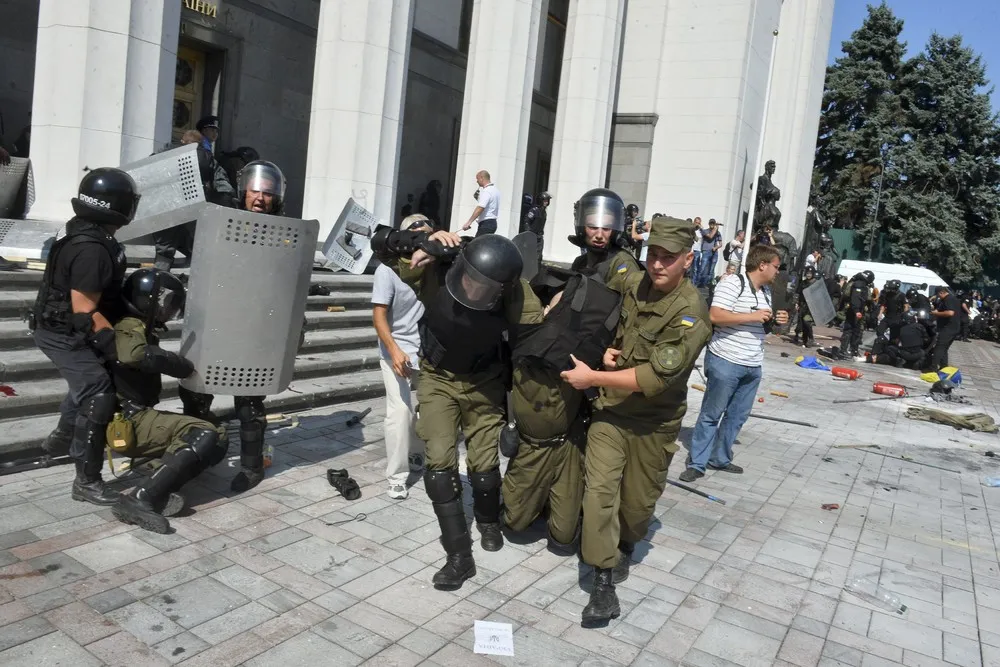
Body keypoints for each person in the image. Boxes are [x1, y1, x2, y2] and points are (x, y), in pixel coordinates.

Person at [371, 226, 542, 590]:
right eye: (471, 281)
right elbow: (380, 244)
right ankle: (459, 557)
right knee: (439, 464)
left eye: (487, 289)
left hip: (484, 382)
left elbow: (534, 340)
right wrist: (424, 240)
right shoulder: (439, 268)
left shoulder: (515, 294)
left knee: (483, 463)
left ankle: (487, 520)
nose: (474, 291)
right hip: (438, 377)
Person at [560, 217, 712, 628]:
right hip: (612, 412)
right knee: (600, 494)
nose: (659, 265)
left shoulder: (691, 313)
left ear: (688, 260)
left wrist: (592, 377)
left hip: (654, 421)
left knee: (637, 506)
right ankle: (603, 584)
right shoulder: (635, 283)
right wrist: (608, 349)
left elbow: (653, 378)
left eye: (669, 258)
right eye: (654, 256)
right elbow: (613, 316)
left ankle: (626, 541)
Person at [31, 168, 140, 505]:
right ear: (120, 207)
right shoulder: (92, 248)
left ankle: (60, 442)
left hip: (62, 326)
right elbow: (83, 309)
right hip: (62, 331)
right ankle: (87, 482)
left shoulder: (89, 235)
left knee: (87, 385)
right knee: (97, 391)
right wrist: (115, 346)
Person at [177, 160, 288, 492]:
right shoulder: (222, 222)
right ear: (244, 191)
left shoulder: (285, 234)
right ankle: (200, 451)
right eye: (255, 191)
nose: (259, 198)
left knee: (250, 401)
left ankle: (252, 466)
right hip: (218, 320)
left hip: (254, 326)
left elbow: (284, 281)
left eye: (267, 194)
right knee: (195, 391)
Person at [108, 269, 229, 533]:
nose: (169, 311)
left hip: (134, 415)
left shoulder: (139, 326)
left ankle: (160, 483)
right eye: (167, 304)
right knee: (203, 433)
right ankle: (139, 498)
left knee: (218, 435)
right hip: (127, 420)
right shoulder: (129, 324)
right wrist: (180, 365)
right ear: (150, 300)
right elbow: (134, 355)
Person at [681, 244, 789, 483]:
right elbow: (715, 315)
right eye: (776, 267)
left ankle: (720, 458)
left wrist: (779, 322)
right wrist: (752, 315)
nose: (777, 272)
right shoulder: (732, 283)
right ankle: (697, 463)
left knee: (737, 415)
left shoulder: (766, 293)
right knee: (712, 413)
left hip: (753, 362)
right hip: (726, 359)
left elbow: (763, 326)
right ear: (762, 265)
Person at [372, 214, 431, 499]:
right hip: (397, 350)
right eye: (417, 230)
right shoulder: (389, 270)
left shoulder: (434, 267)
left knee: (425, 410)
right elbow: (379, 315)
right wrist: (394, 350)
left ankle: (417, 454)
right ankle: (397, 474)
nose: (423, 233)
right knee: (401, 411)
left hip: (427, 351)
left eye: (428, 228)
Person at [568, 188, 641, 290]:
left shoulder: (622, 264)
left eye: (606, 228)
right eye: (593, 227)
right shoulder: (580, 262)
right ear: (582, 228)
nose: (599, 235)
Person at [837, 271, 873, 359]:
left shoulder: (856, 284)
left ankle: (850, 350)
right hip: (856, 312)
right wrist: (857, 311)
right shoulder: (859, 285)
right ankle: (846, 350)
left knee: (853, 330)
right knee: (851, 331)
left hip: (854, 310)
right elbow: (856, 299)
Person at [929, 286, 961, 370]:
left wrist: (936, 313)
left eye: (938, 295)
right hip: (954, 327)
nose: (938, 297)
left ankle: (933, 368)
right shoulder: (953, 299)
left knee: (939, 348)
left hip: (948, 327)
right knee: (944, 348)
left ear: (941, 293)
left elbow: (950, 313)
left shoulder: (948, 299)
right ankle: (944, 368)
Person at [461, 170, 500, 237]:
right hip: (492, 223)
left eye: (477, 179)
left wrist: (469, 222)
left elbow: (480, 208)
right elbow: (490, 205)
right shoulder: (495, 190)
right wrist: (478, 199)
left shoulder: (487, 191)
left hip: (486, 224)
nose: (477, 181)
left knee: (477, 245)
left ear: (482, 178)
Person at [874, 279, 906, 355]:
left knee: (894, 336)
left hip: (897, 317)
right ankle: (881, 344)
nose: (891, 290)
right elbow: (884, 305)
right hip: (888, 316)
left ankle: (890, 350)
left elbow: (906, 306)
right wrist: (880, 313)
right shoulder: (887, 294)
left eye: (892, 289)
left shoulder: (901, 295)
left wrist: (904, 315)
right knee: (879, 330)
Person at [520, 191, 550, 264]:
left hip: (539, 236)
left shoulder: (544, 212)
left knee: (539, 256)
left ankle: (537, 271)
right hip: (532, 235)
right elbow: (527, 220)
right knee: (530, 254)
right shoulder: (534, 210)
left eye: (547, 201)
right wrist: (529, 232)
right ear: (540, 201)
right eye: (545, 201)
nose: (546, 202)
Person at [792, 266, 818, 347]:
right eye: (807, 273)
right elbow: (798, 293)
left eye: (810, 273)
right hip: (803, 305)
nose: (808, 275)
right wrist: (796, 303)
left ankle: (811, 338)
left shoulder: (816, 284)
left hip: (811, 307)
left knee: (807, 322)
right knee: (802, 323)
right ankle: (805, 340)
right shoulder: (803, 283)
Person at [696, 219, 722, 287]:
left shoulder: (718, 233)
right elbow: (710, 236)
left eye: (713, 223)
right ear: (709, 224)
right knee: (703, 268)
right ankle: (697, 283)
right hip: (706, 251)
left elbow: (721, 244)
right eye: (711, 223)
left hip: (714, 252)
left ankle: (707, 284)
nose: (712, 225)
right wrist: (715, 229)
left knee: (711, 270)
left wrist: (716, 247)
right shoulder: (705, 231)